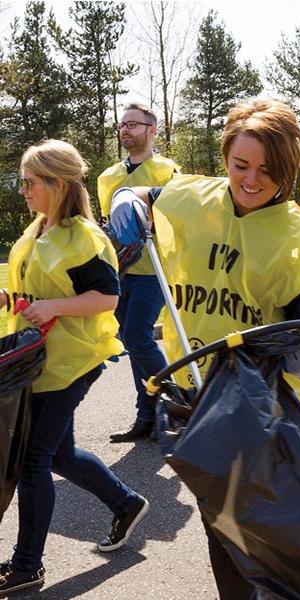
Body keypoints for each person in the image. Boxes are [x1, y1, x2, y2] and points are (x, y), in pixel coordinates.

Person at [110, 98, 300, 599]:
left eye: (268, 170)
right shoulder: (196, 197)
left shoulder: (296, 237)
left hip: (260, 404)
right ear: (225, 159)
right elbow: (150, 193)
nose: (252, 180)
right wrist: (130, 199)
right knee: (220, 522)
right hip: (195, 394)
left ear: (290, 169)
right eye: (241, 165)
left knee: (260, 524)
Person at [0, 140, 149, 596]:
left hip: (74, 360)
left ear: (57, 184)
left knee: (33, 460)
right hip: (39, 361)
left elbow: (107, 297)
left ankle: (28, 566)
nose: (22, 190)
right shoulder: (37, 229)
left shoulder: (85, 238)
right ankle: (126, 503)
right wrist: (10, 301)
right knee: (59, 454)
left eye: (29, 182)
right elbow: (32, 289)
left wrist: (52, 307)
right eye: (20, 182)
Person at [97, 103, 179, 443]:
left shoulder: (168, 171)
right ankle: (146, 416)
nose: (126, 130)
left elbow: (178, 220)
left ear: (152, 130)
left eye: (134, 124)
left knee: (136, 336)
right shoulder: (108, 178)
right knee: (131, 341)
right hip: (121, 273)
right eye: (123, 125)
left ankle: (176, 400)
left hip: (154, 271)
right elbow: (111, 229)